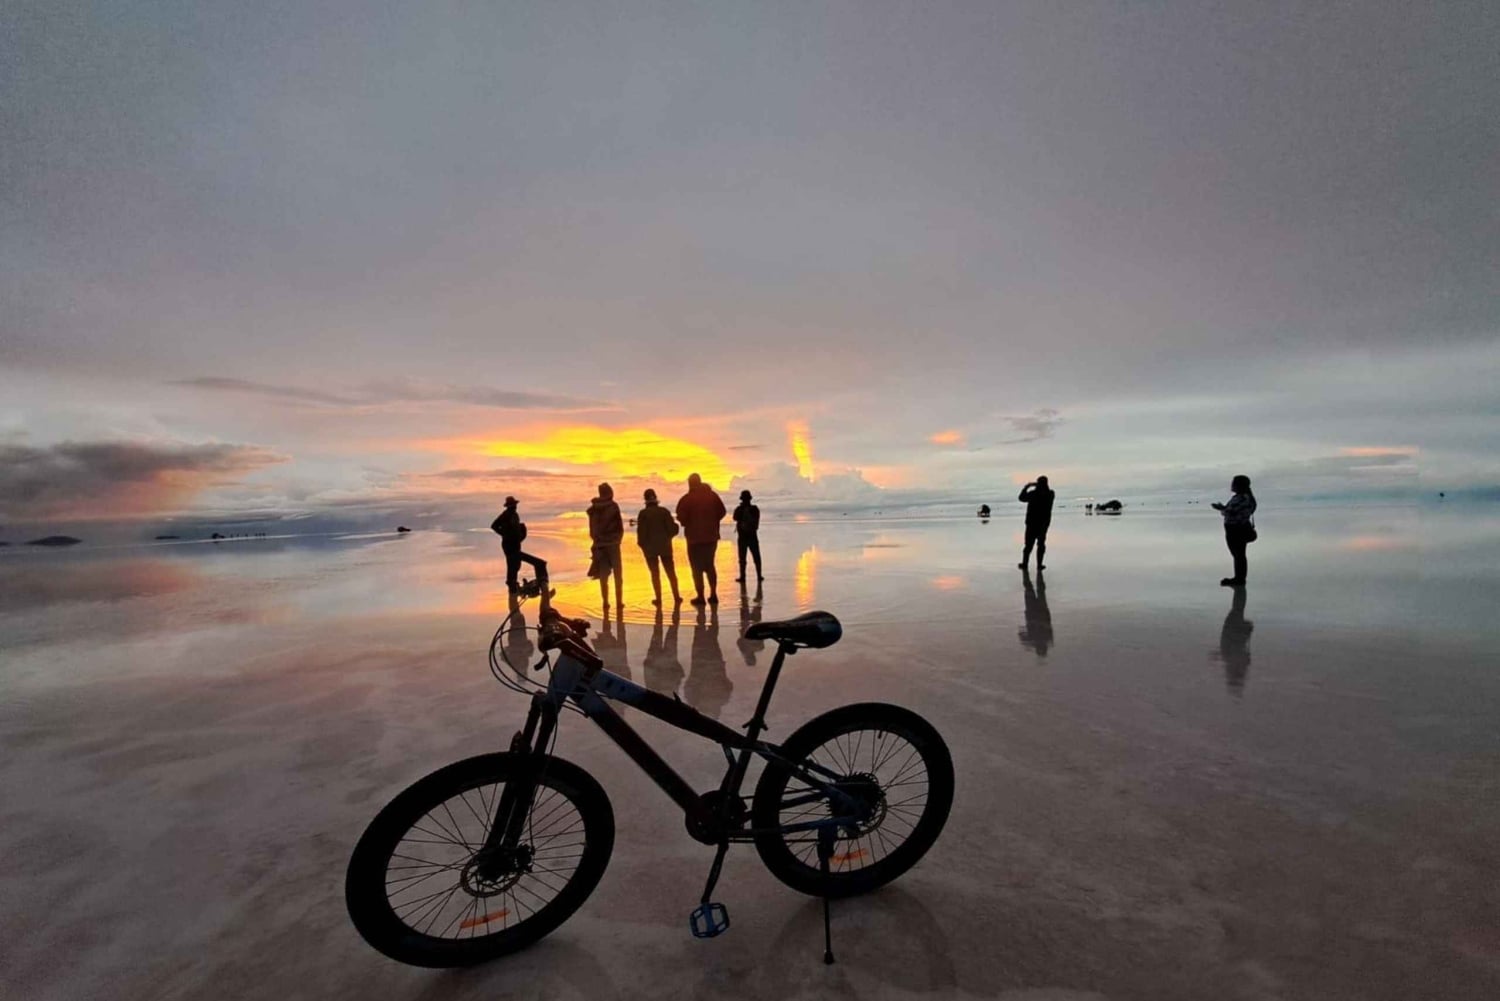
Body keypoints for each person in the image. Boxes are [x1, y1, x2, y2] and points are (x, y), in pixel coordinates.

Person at [675, 473, 726, 606]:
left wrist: (687, 522)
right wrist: (713, 521)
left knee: (696, 569)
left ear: (690, 484)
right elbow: (722, 512)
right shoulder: (712, 496)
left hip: (694, 539)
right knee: (710, 565)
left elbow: (681, 517)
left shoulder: (687, 499)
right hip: (711, 537)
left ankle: (701, 597)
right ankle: (713, 594)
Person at [636, 488, 682, 607]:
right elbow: (672, 529)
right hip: (665, 547)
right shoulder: (664, 511)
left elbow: (641, 534)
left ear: (645, 500)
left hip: (650, 549)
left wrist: (643, 546)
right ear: (656, 498)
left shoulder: (643, 514)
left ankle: (659, 599)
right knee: (671, 572)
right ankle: (676, 596)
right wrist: (672, 532)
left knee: (655, 574)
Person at [491, 496, 547, 591]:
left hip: (514, 545)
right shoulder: (506, 515)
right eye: (513, 505)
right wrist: (505, 534)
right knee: (535, 564)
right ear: (509, 506)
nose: (514, 506)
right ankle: (541, 584)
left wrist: (520, 534)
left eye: (515, 505)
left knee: (515, 566)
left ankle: (515, 587)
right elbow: (494, 526)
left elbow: (516, 534)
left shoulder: (514, 515)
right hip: (510, 546)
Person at [1211, 474, 1257, 587]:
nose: (1231, 485)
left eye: (1233, 483)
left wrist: (1221, 508)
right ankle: (1239, 578)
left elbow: (1231, 511)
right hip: (1236, 528)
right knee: (1238, 554)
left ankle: (1239, 579)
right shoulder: (1244, 497)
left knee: (1238, 555)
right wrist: (1224, 509)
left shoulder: (1242, 498)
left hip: (1236, 529)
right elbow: (1231, 510)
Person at [587, 482, 625, 609]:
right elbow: (620, 527)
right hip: (613, 544)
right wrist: (618, 539)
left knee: (603, 576)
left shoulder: (594, 509)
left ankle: (605, 602)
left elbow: (592, 530)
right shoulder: (613, 507)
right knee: (618, 574)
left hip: (600, 545)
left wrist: (597, 541)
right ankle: (619, 602)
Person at [1017, 475, 1055, 571]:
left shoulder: (1033, 494)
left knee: (1028, 545)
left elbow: (1021, 498)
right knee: (1041, 544)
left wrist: (1026, 487)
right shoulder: (1050, 494)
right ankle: (1039, 565)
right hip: (1044, 523)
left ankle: (1025, 564)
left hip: (1032, 523)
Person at [732, 489, 763, 584]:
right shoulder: (754, 509)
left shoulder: (742, 509)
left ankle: (743, 576)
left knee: (743, 558)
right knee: (755, 557)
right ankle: (758, 576)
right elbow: (735, 517)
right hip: (750, 536)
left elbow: (735, 517)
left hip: (744, 537)